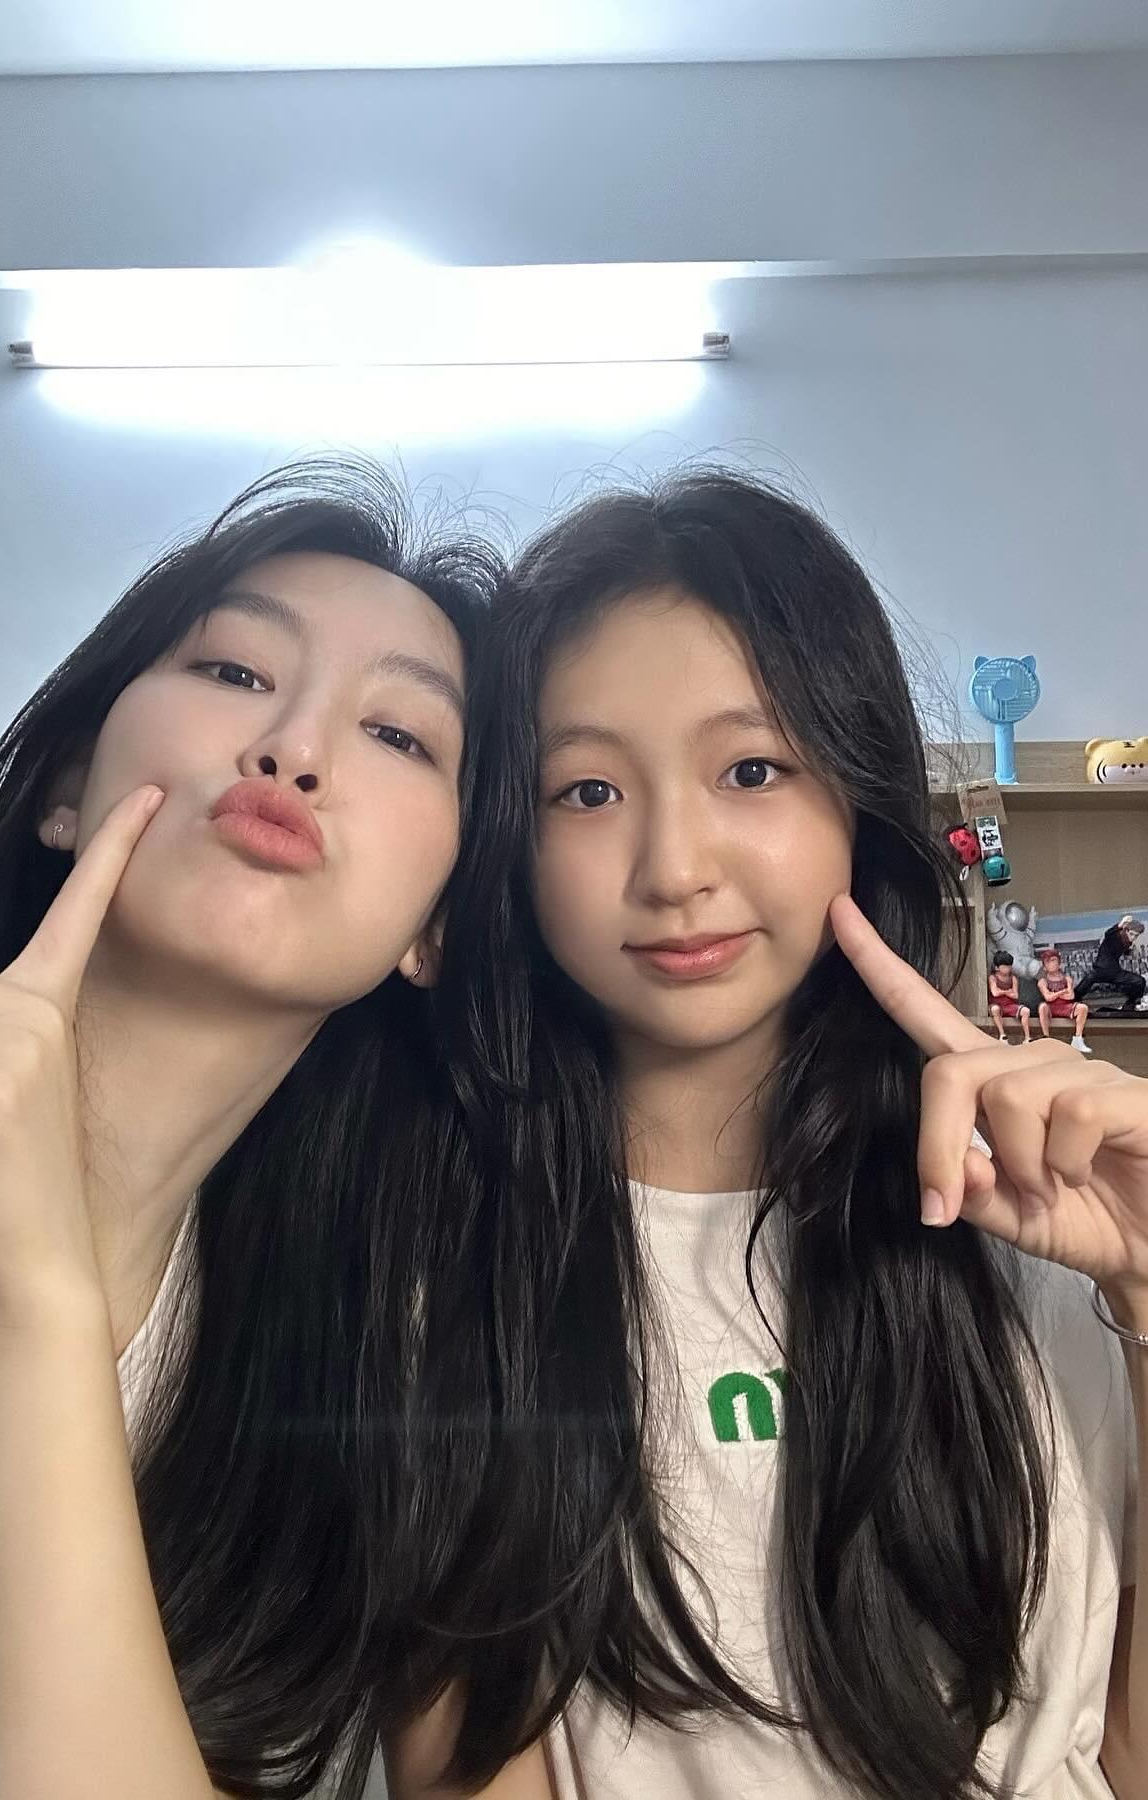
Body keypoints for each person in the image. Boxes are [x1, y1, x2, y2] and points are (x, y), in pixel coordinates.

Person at [0, 460, 565, 1800]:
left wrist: (39, 1305)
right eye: (232, 670)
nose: (293, 747)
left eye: (400, 736)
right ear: (66, 783)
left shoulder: (357, 1376)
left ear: (436, 932)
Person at [436, 470, 1144, 1800]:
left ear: (856, 809)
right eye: (585, 791)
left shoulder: (1044, 1213)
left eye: (751, 769)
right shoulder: (457, 1277)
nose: (674, 868)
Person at [1082, 914, 1148, 1015]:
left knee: (1140, 981)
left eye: (1136, 936)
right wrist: (1120, 925)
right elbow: (1108, 934)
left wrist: (1128, 952)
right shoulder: (1117, 936)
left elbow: (1116, 950)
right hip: (1102, 968)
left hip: (1114, 971)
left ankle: (1130, 1006)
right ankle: (1074, 1000)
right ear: (1126, 931)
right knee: (1087, 981)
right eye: (1131, 934)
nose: (1133, 938)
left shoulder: (1127, 942)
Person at [1036, 945, 1092, 1053]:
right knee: (1042, 1007)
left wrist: (1054, 994)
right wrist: (1062, 992)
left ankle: (1078, 1039)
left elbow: (1070, 996)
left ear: (1059, 963)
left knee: (1083, 1008)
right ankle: (1046, 1037)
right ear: (1044, 966)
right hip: (1051, 1008)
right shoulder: (1042, 981)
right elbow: (1048, 998)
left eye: (1053, 960)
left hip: (1066, 1006)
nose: (1051, 964)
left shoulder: (1067, 979)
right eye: (1048, 962)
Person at [987, 949, 1033, 1044]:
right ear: (997, 967)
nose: (1007, 969)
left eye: (1009, 966)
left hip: (1010, 1005)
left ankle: (1027, 1037)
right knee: (995, 1009)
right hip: (997, 1004)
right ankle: (1002, 1035)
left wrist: (1002, 992)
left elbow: (1015, 995)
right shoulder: (993, 977)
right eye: (1004, 967)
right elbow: (995, 993)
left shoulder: (1013, 978)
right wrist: (1008, 991)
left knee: (1026, 1011)